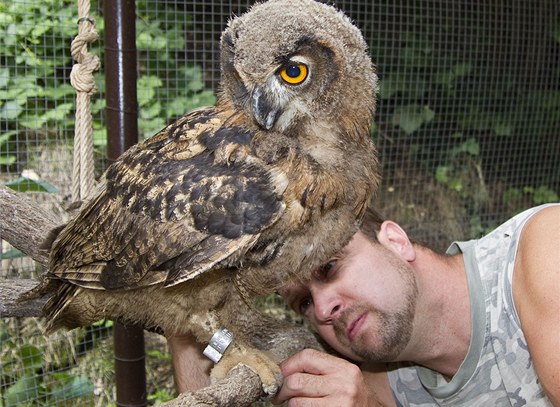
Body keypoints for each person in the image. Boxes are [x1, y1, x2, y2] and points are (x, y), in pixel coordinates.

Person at [168, 203, 560, 406]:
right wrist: (185, 315)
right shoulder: (378, 384)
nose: (322, 310)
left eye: (329, 267)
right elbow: (226, 358)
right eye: (303, 303)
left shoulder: (541, 251)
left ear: (395, 240)